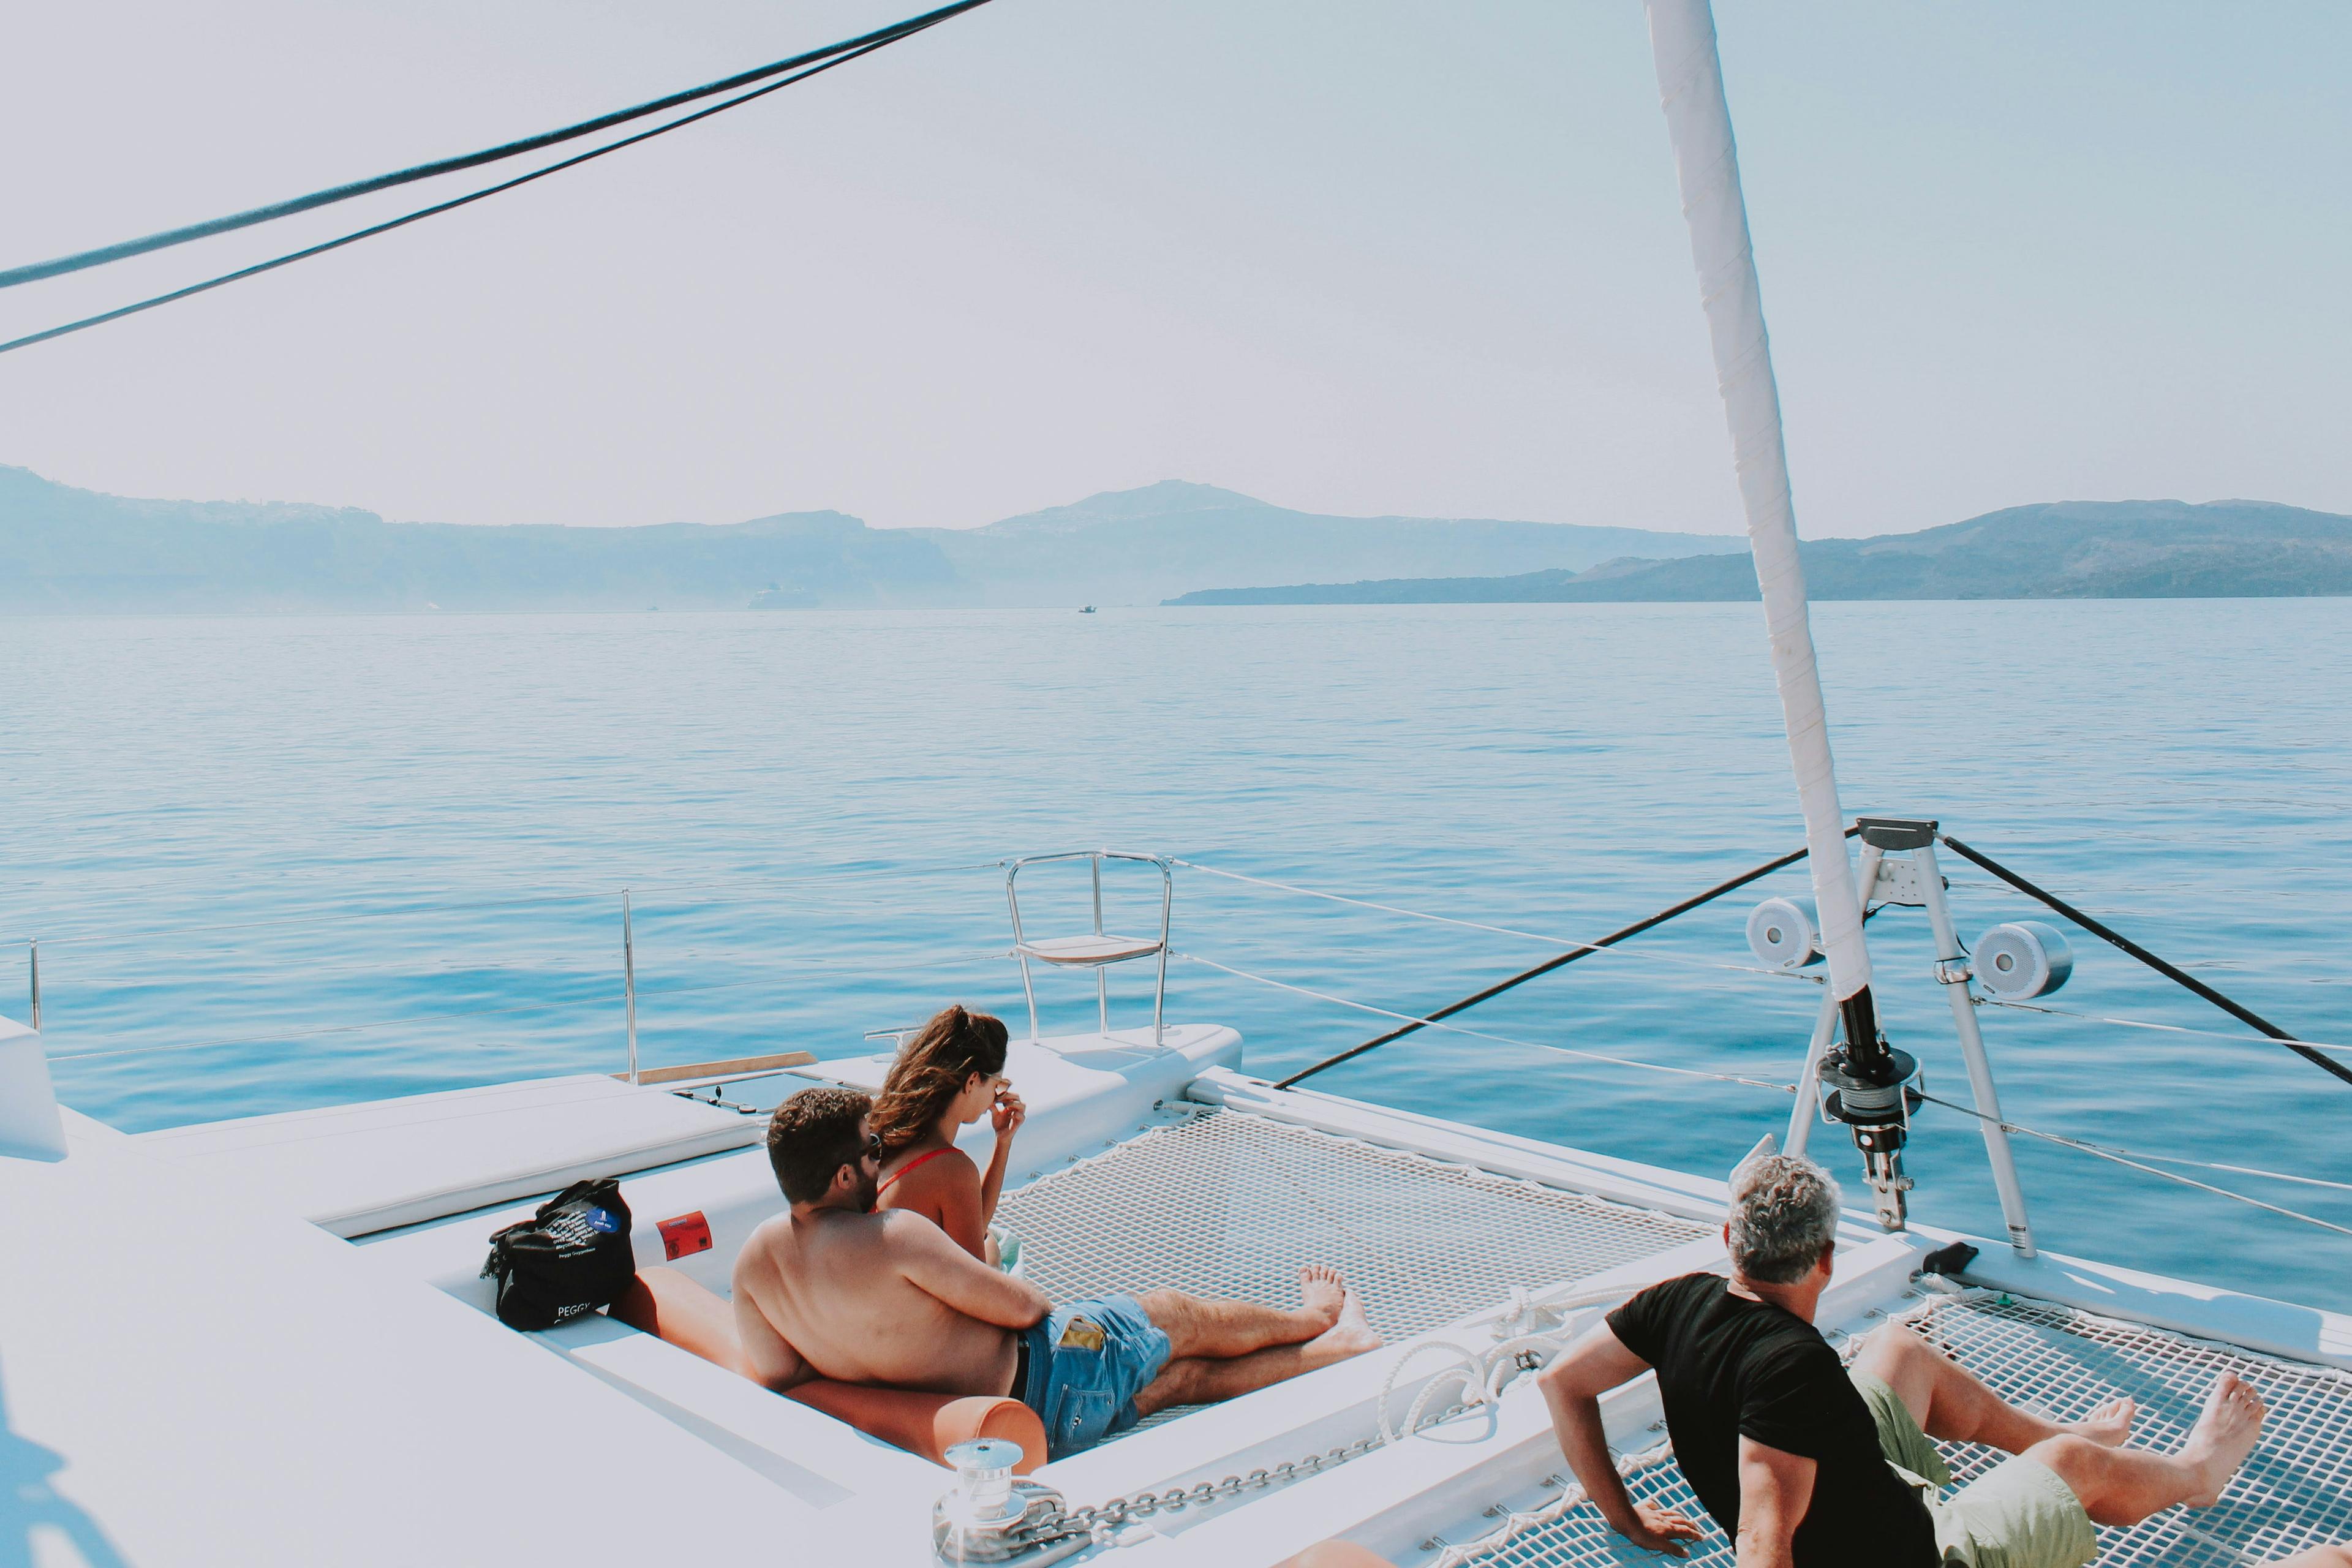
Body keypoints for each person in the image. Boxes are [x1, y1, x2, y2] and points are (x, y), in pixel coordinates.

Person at [1537, 1153, 2269, 1568]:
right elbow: (1763, 1540)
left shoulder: (1675, 1300)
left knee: (1899, 1351)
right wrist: (1632, 1520)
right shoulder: (1794, 1369)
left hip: (1864, 1485)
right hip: (1921, 1558)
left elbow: (1561, 1382)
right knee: (2078, 1466)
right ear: (1826, 1258)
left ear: (1731, 1236)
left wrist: (1626, 1517)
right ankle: (2195, 1476)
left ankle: (2048, 1438)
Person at [734, 1086, 1382, 1458]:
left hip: (1028, 1432)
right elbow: (1026, 1309)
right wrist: (981, 1266)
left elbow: (779, 1373)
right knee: (1170, 1314)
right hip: (1053, 1367)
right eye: (874, 1149)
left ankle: (1333, 1351)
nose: (882, 1159)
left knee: (1177, 1380)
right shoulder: (892, 1237)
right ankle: (1314, 1319)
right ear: (844, 1174)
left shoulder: (756, 1263)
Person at [870, 1005, 1025, 1262]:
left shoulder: (892, 1136)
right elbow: (976, 1284)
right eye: (997, 1084)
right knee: (995, 1247)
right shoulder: (952, 1169)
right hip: (918, 1300)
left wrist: (1003, 1143)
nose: (995, 1097)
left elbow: (969, 1226)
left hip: (886, 1292)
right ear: (973, 1081)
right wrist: (993, 1256)